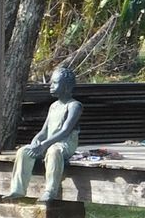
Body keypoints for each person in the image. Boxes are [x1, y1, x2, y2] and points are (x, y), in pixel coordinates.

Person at [5, 65, 85, 202]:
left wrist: (44, 144)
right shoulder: (53, 106)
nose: (51, 86)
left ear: (66, 86)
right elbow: (44, 131)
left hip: (65, 144)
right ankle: (17, 189)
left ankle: (50, 191)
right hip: (47, 142)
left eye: (55, 83)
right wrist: (36, 141)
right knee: (24, 151)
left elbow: (65, 130)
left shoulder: (74, 106)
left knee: (53, 152)